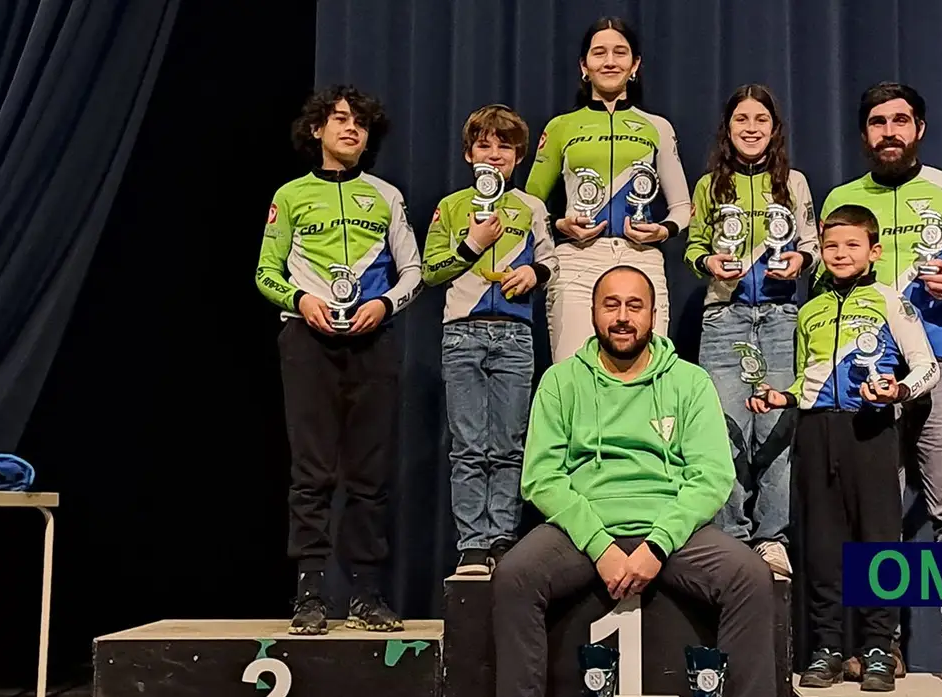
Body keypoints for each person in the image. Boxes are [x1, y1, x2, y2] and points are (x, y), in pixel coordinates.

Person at [492, 266, 777, 697]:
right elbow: (541, 477)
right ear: (592, 313)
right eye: (611, 304)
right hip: (583, 529)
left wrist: (658, 544)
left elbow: (712, 476)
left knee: (751, 578)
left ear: (653, 314)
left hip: (671, 530)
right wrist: (600, 546)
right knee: (513, 576)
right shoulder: (561, 381)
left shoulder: (688, 381)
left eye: (634, 305)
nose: (622, 316)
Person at [818, 82, 942, 687]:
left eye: (901, 120)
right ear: (864, 134)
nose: (889, 132)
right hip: (867, 377)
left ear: (919, 128)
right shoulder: (842, 198)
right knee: (878, 517)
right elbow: (829, 292)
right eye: (877, 122)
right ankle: (885, 646)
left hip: (941, 369)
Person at [749, 205, 939, 693]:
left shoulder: (890, 301)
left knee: (877, 542)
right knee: (822, 546)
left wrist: (898, 391)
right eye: (831, 245)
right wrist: (781, 397)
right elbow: (805, 378)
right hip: (815, 433)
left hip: (871, 431)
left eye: (852, 245)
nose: (840, 253)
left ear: (874, 251)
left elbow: (927, 367)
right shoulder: (809, 309)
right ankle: (827, 648)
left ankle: (877, 647)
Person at [255, 85, 422, 635]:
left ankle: (366, 594)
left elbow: (414, 272)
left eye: (361, 123)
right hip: (307, 342)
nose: (352, 129)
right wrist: (301, 301)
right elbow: (264, 273)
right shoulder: (291, 195)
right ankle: (309, 594)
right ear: (316, 130)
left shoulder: (386, 196)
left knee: (370, 474)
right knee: (313, 472)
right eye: (341, 119)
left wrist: (383, 303)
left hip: (374, 341)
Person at [684, 84, 819, 577]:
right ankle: (731, 535)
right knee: (725, 431)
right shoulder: (708, 187)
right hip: (725, 316)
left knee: (778, 431)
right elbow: (692, 247)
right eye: (741, 119)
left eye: (760, 119)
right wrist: (708, 261)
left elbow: (814, 247)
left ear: (775, 130)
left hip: (783, 317)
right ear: (728, 128)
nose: (751, 128)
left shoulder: (795, 184)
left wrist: (801, 261)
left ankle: (772, 538)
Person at [422, 104, 558, 576]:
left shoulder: (531, 208)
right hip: (462, 334)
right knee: (468, 445)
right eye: (485, 145)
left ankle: (502, 536)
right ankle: (472, 544)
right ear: (468, 154)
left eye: (504, 146)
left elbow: (551, 261)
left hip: (515, 335)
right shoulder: (452, 206)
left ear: (519, 155)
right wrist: (472, 244)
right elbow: (430, 270)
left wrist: (531, 272)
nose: (494, 154)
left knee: (508, 443)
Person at [526, 16, 691, 363]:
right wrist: (560, 225)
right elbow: (529, 205)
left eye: (620, 52)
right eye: (599, 53)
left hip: (641, 258)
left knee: (648, 377)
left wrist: (662, 230)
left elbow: (682, 207)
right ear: (584, 66)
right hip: (576, 261)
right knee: (573, 375)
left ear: (635, 65)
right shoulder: (561, 127)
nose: (610, 61)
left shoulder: (658, 127)